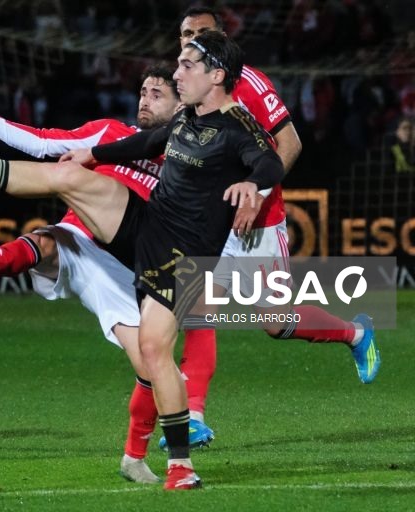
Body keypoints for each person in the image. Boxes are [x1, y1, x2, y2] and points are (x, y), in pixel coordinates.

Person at [0, 31, 285, 489]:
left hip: (184, 257)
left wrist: (255, 184)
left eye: (187, 65)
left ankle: (179, 466)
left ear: (216, 76)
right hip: (148, 226)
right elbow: (146, 144)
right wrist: (93, 154)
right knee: (68, 176)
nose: (177, 73)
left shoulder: (238, 125)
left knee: (155, 354)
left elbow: (269, 162)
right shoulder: (187, 117)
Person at [161, 7, 379, 451]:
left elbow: (290, 143)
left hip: (258, 221)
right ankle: (193, 418)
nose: (192, 40)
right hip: (210, 222)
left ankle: (355, 333)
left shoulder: (250, 83)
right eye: (186, 34)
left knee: (275, 322)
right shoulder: (184, 86)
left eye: (202, 33)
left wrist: (257, 193)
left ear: (222, 38)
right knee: (198, 310)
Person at [0, 65, 181, 483]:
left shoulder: (184, 158)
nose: (145, 100)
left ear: (181, 105)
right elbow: (42, 142)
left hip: (128, 271)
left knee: (153, 369)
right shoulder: (110, 133)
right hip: (79, 242)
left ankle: (134, 459)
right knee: (47, 242)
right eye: (143, 92)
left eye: (157, 94)